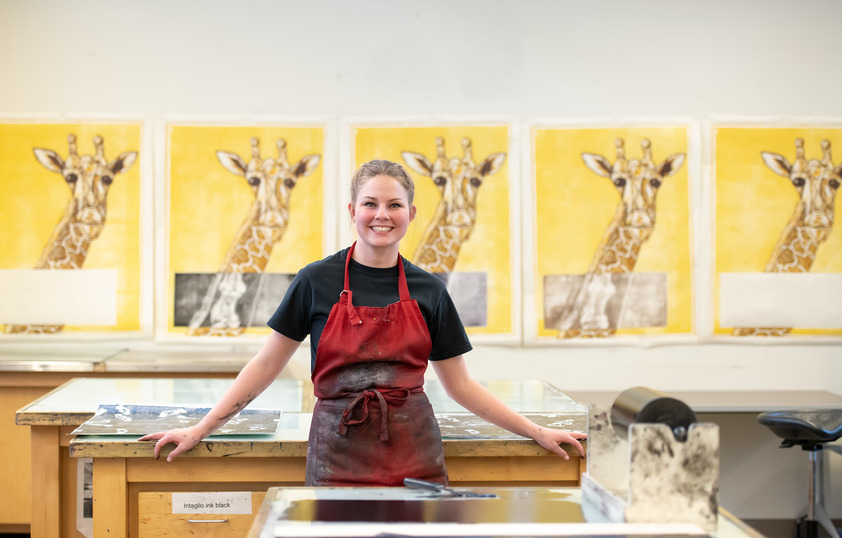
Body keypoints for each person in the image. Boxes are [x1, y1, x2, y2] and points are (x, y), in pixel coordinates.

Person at [139, 159, 586, 486]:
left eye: (394, 205)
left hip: (414, 451)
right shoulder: (315, 280)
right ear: (352, 210)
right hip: (338, 453)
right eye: (370, 203)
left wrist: (536, 431)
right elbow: (264, 366)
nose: (382, 215)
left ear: (411, 213)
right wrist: (201, 428)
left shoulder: (429, 290)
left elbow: (461, 386)